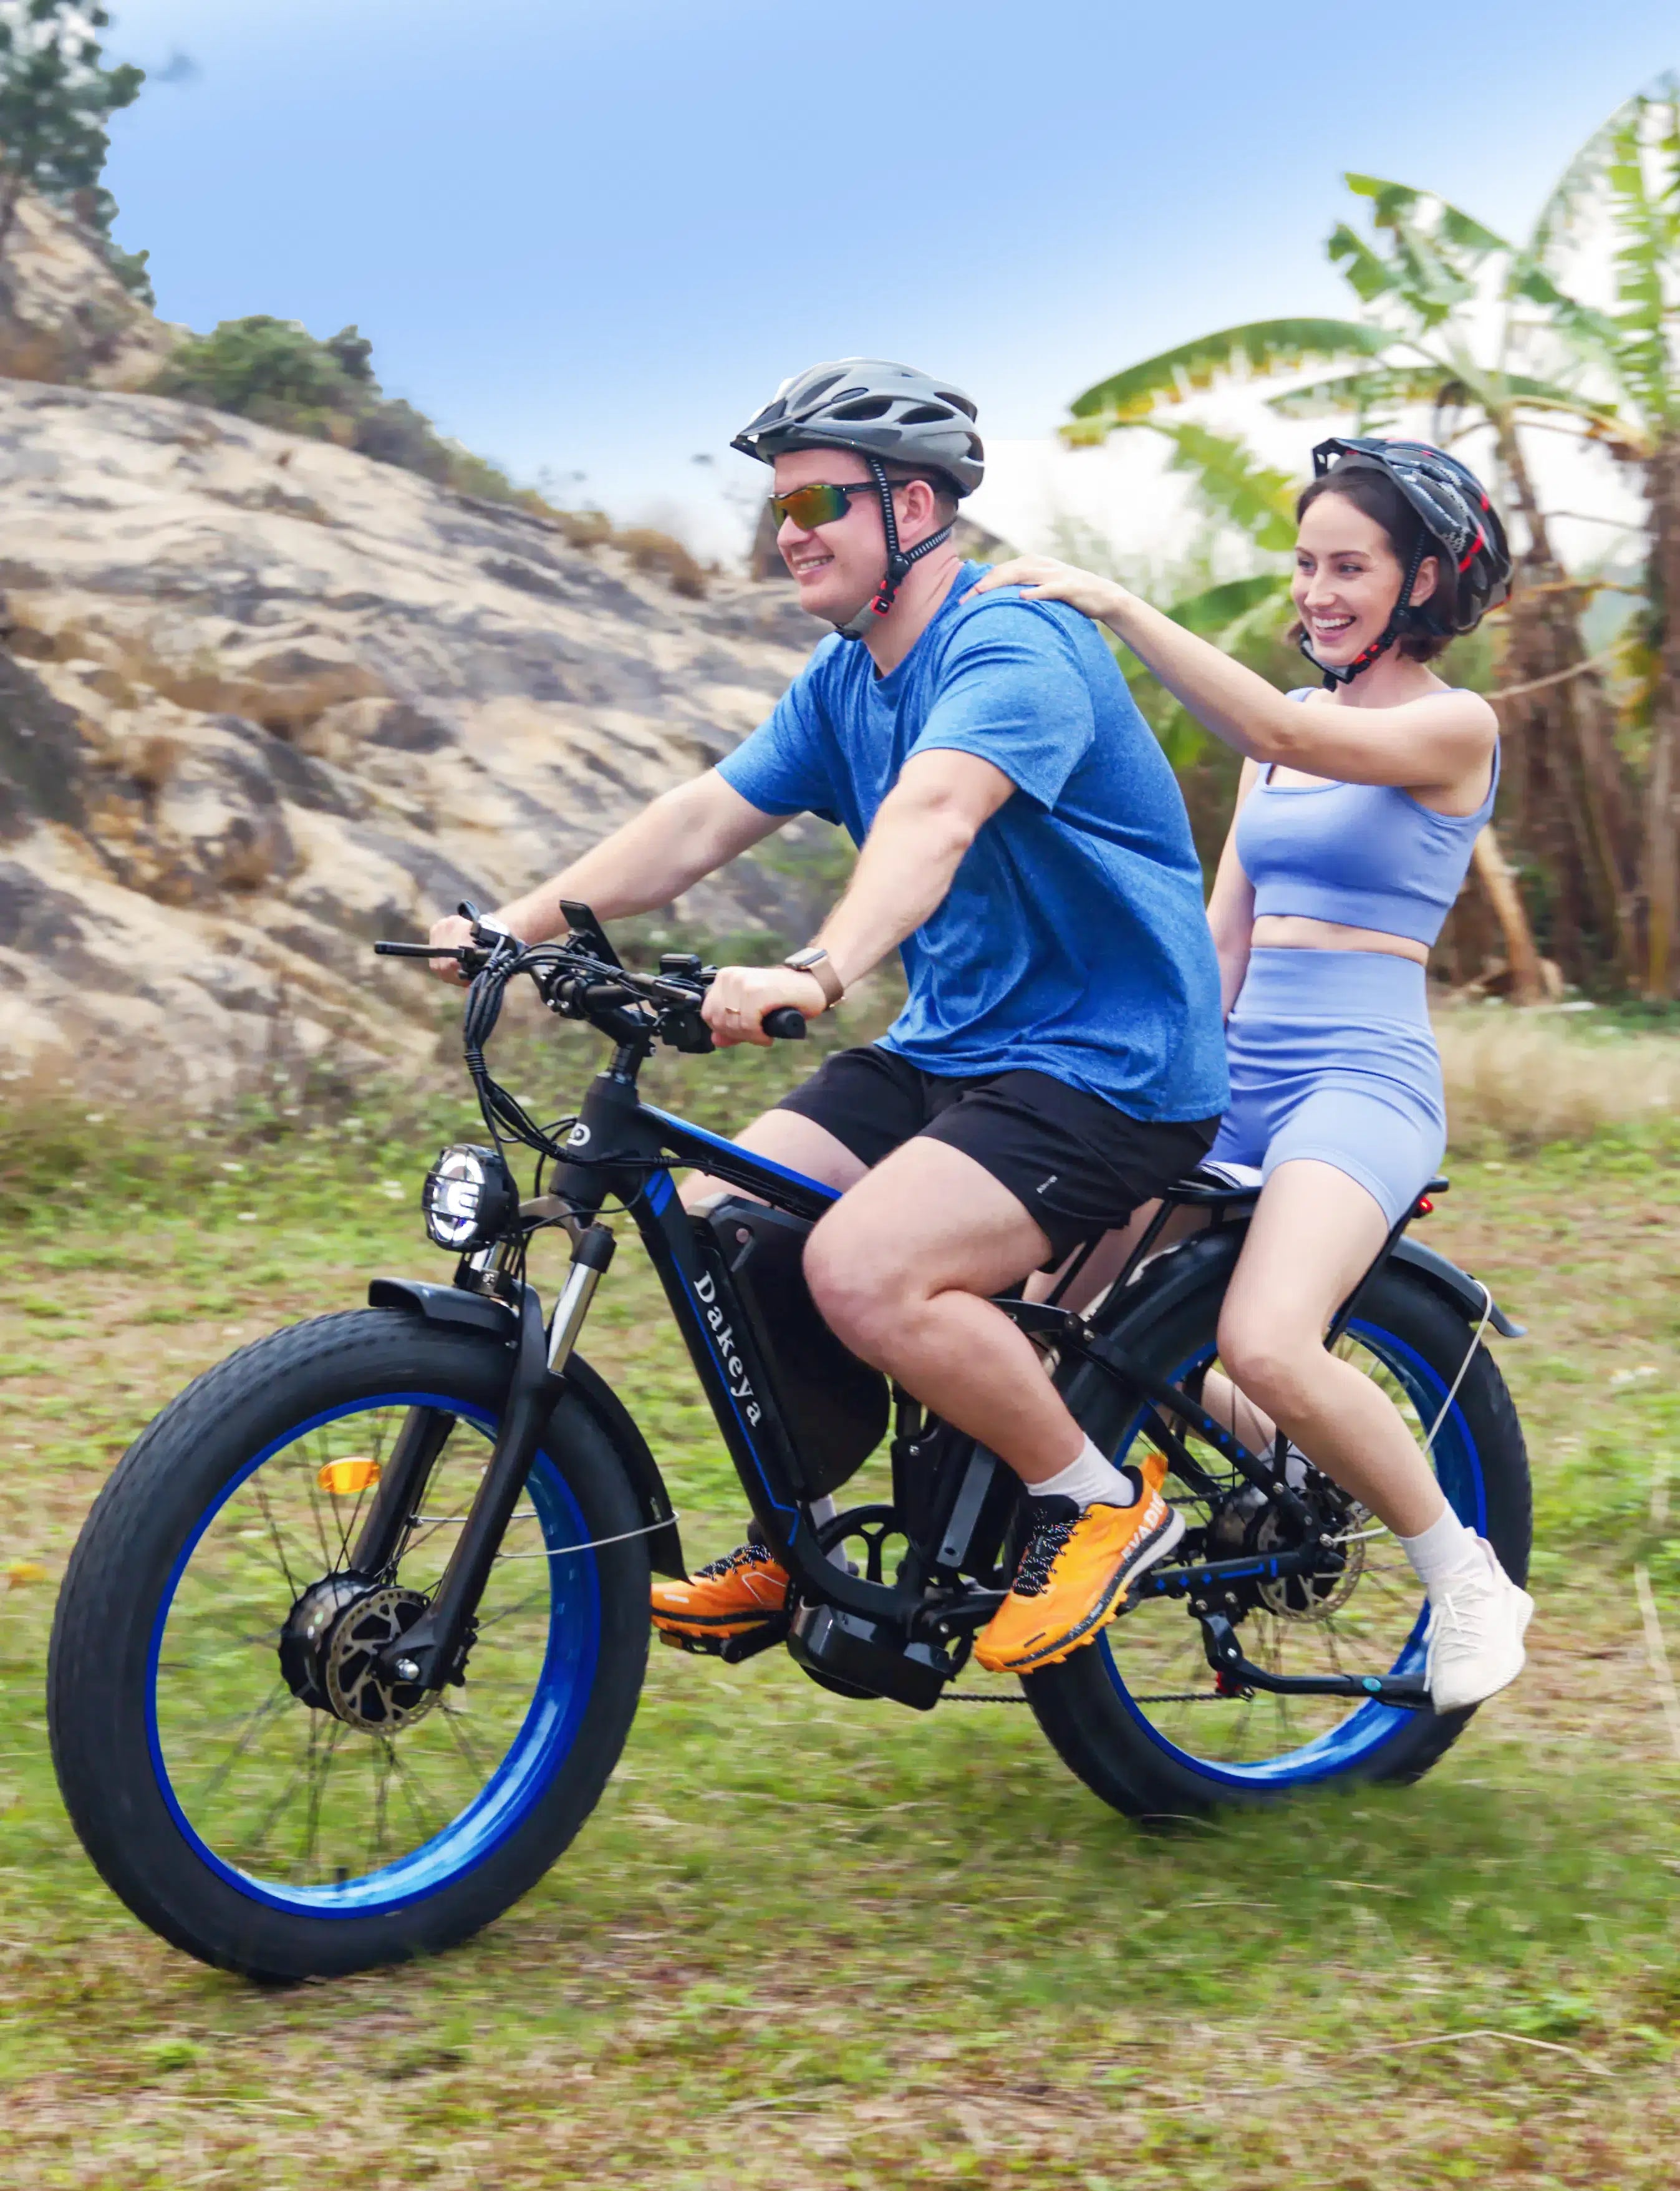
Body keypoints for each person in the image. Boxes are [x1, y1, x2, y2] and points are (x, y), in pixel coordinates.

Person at [429, 357, 1228, 1675]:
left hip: (1111, 1064)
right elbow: (699, 819)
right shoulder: (844, 678)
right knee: (713, 1225)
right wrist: (515, 926)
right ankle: (802, 1542)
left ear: (914, 506)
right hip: (957, 1051)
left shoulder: (1012, 645)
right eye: (777, 504)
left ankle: (1098, 1500)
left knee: (863, 1264)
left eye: (817, 498)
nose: (787, 528)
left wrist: (818, 966)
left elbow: (937, 813)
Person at [971, 436, 1532, 1714]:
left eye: (1352, 566)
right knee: (1058, 1306)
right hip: (1242, 1070)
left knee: (1267, 1337)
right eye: (1306, 564)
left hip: (1361, 1082)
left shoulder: (1455, 725)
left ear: (1426, 579)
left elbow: (1275, 717)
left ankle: (1464, 1577)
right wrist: (1142, 1088)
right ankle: (1257, 1483)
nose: (1318, 591)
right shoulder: (1286, 747)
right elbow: (1220, 940)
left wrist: (1114, 603)